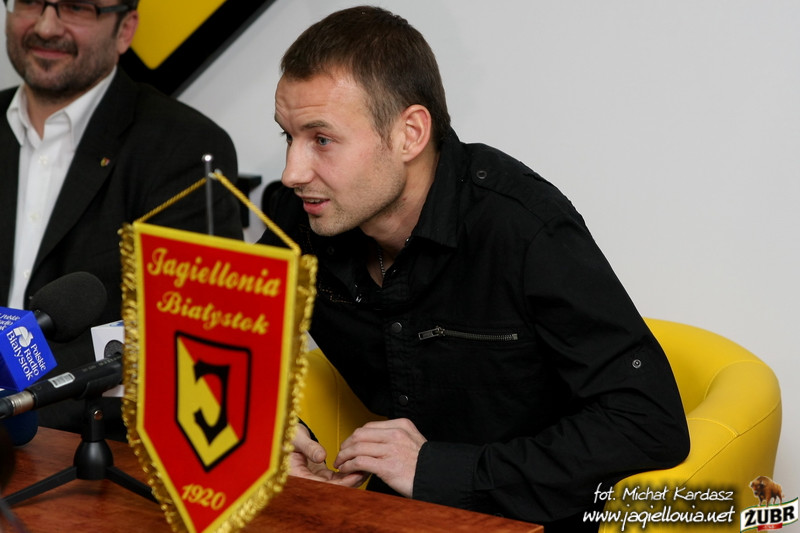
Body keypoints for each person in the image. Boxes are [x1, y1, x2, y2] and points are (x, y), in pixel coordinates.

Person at [259, 6, 689, 531]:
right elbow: (225, 338)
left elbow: (648, 424)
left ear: (410, 133)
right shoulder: (302, 218)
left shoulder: (522, 228)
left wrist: (436, 469)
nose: (292, 172)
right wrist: (275, 433)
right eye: (288, 137)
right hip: (397, 514)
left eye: (322, 140)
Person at [0, 0, 242, 440]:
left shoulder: (184, 148)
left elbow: (184, 343)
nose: (47, 25)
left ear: (125, 28)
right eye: (30, 1)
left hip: (89, 449)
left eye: (77, 6)